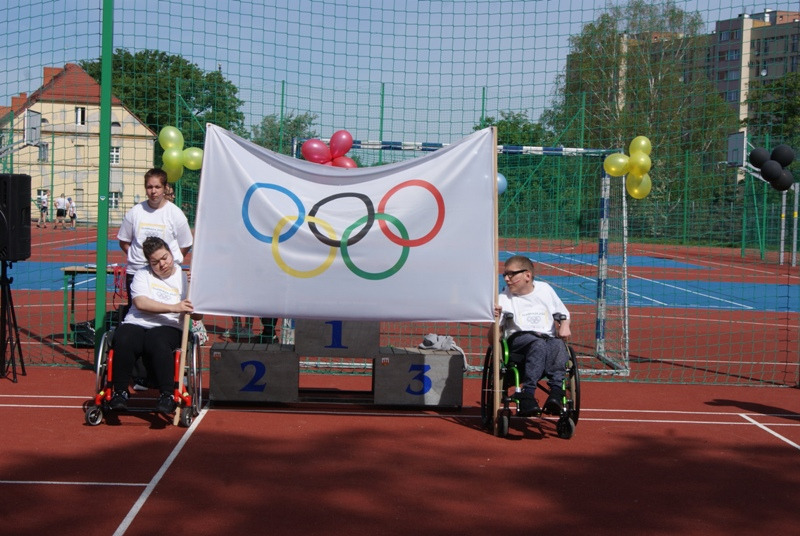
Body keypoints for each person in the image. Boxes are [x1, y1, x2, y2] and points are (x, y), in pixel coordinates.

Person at [109, 236, 199, 414]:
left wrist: (195, 292)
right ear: (149, 263)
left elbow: (198, 315)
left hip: (170, 326)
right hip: (138, 321)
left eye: (164, 258)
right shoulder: (142, 275)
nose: (162, 264)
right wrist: (174, 307)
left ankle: (167, 394)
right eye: (155, 262)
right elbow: (141, 303)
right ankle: (120, 392)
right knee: (124, 337)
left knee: (156, 339)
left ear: (171, 253)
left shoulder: (185, 279)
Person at [493, 255, 571, 416]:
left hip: (547, 339)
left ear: (527, 275)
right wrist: (495, 320)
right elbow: (493, 338)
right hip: (519, 340)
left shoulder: (545, 290)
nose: (507, 279)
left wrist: (565, 325)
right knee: (538, 344)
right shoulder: (504, 298)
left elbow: (563, 314)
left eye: (511, 274)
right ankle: (528, 394)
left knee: (557, 344)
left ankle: (556, 392)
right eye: (505, 275)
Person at [117, 168, 193, 308]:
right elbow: (124, 241)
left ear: (165, 188)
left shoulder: (175, 214)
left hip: (167, 275)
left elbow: (186, 243)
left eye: (157, 187)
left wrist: (169, 260)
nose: (153, 191)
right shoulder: (135, 212)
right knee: (137, 313)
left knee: (166, 315)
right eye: (149, 187)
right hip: (137, 271)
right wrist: (137, 257)